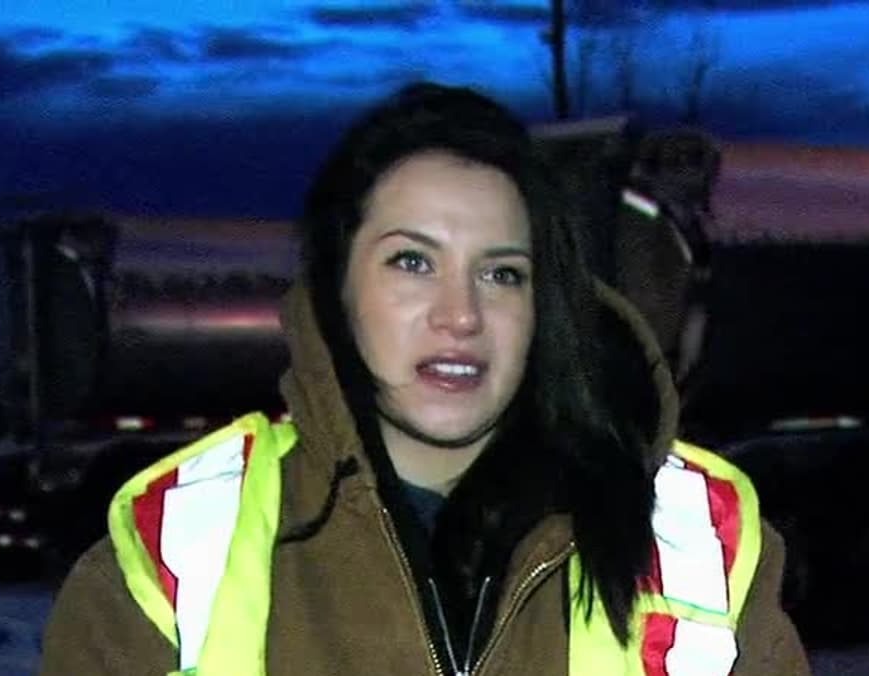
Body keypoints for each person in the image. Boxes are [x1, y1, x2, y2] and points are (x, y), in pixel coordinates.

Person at [40, 82, 810, 675]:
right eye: (412, 262)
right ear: (337, 289)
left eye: (502, 274)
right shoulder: (175, 549)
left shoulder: (699, 537)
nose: (461, 314)